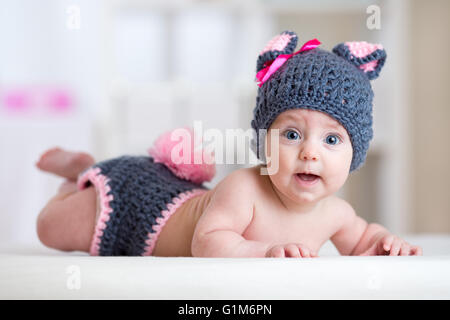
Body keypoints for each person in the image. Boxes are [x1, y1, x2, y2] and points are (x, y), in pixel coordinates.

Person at [36, 31, 422, 258]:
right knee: (51, 229)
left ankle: (82, 172)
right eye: (290, 135)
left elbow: (362, 240)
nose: (309, 152)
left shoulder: (337, 213)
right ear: (263, 142)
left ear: (355, 153)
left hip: (164, 201)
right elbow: (208, 242)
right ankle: (74, 179)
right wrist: (265, 252)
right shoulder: (245, 188)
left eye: (332, 139)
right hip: (138, 206)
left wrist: (383, 245)